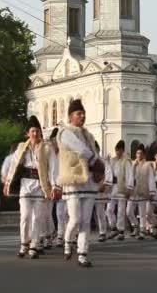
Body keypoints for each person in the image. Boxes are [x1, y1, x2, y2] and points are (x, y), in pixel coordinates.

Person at [4, 115, 58, 260]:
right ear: (27, 133)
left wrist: (54, 186)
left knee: (38, 218)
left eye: (37, 131)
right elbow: (13, 166)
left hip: (41, 186)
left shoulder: (47, 148)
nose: (35, 134)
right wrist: (8, 182)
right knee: (25, 217)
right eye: (32, 131)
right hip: (25, 186)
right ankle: (24, 243)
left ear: (40, 132)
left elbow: (53, 168)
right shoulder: (21, 147)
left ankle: (34, 245)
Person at [57, 99, 103, 267]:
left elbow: (96, 155)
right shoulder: (65, 132)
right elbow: (81, 150)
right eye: (78, 113)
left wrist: (101, 171)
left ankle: (82, 254)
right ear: (71, 116)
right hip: (74, 180)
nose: (82, 116)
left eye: (83, 113)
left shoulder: (89, 135)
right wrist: (96, 161)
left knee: (85, 221)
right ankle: (68, 241)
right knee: (75, 219)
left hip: (89, 181)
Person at [105, 140, 134, 241]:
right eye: (116, 150)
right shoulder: (112, 160)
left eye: (119, 150)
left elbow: (130, 175)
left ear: (123, 150)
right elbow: (108, 172)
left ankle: (121, 230)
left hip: (122, 187)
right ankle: (113, 228)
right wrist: (107, 162)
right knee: (109, 210)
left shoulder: (126, 161)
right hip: (113, 187)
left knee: (121, 210)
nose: (118, 152)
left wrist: (129, 189)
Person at [127, 144, 155, 240]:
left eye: (141, 153)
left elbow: (151, 179)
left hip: (143, 192)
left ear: (144, 155)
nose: (139, 155)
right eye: (137, 153)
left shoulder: (148, 165)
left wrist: (152, 192)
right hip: (133, 192)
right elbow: (128, 177)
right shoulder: (132, 164)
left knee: (142, 213)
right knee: (128, 211)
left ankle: (142, 231)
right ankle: (136, 226)